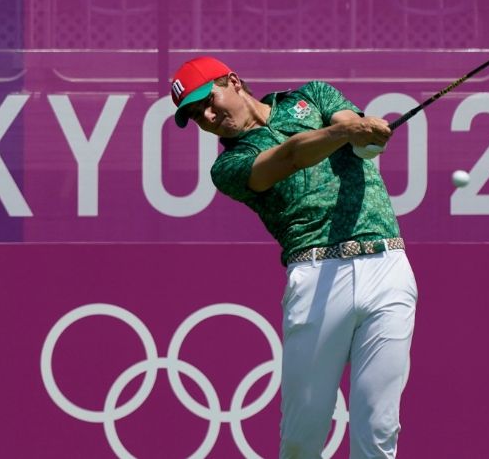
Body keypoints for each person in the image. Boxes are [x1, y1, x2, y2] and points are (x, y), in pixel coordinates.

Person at [170, 56, 418, 459]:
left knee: (378, 428)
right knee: (303, 438)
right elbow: (290, 158)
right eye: (198, 116)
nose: (209, 116)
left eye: (209, 101)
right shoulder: (228, 166)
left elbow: (360, 136)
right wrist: (346, 129)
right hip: (317, 277)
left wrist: (368, 133)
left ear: (232, 80)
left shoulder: (314, 95)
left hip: (387, 265)